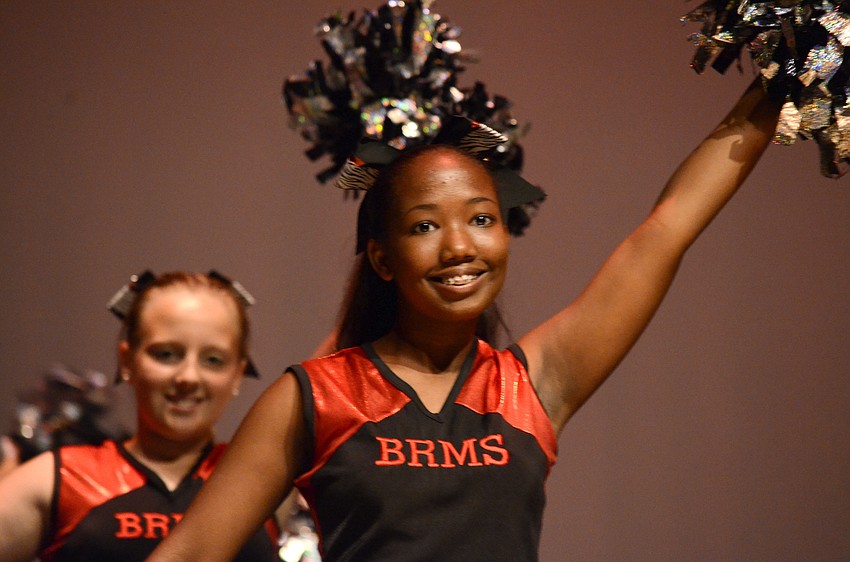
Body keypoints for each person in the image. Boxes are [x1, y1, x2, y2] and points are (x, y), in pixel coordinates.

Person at [147, 79, 781, 561]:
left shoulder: (534, 385)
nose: (459, 248)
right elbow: (192, 551)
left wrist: (787, 71)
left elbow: (665, 230)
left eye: (481, 218)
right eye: (425, 226)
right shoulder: (313, 397)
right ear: (381, 258)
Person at [0, 271, 282, 562]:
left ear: (237, 373)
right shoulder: (62, 479)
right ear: (127, 360)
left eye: (213, 360)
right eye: (166, 354)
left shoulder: (268, 482)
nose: (188, 377)